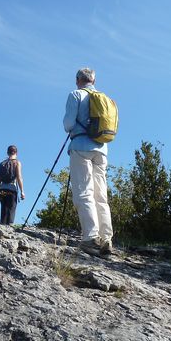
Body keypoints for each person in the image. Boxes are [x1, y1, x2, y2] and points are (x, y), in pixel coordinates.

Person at [63, 68, 113, 256]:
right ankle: (106, 238)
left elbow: (68, 124)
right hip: (102, 149)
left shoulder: (76, 94)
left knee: (84, 192)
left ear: (78, 80)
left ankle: (90, 238)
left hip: (81, 146)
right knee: (101, 195)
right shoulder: (105, 98)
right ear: (94, 80)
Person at [0, 145, 25, 225]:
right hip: (12, 189)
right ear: (16, 153)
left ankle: (2, 227)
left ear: (7, 153)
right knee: (11, 210)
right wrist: (22, 191)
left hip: (2, 189)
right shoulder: (17, 162)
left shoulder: (1, 164)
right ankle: (9, 228)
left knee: (3, 211)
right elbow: (19, 177)